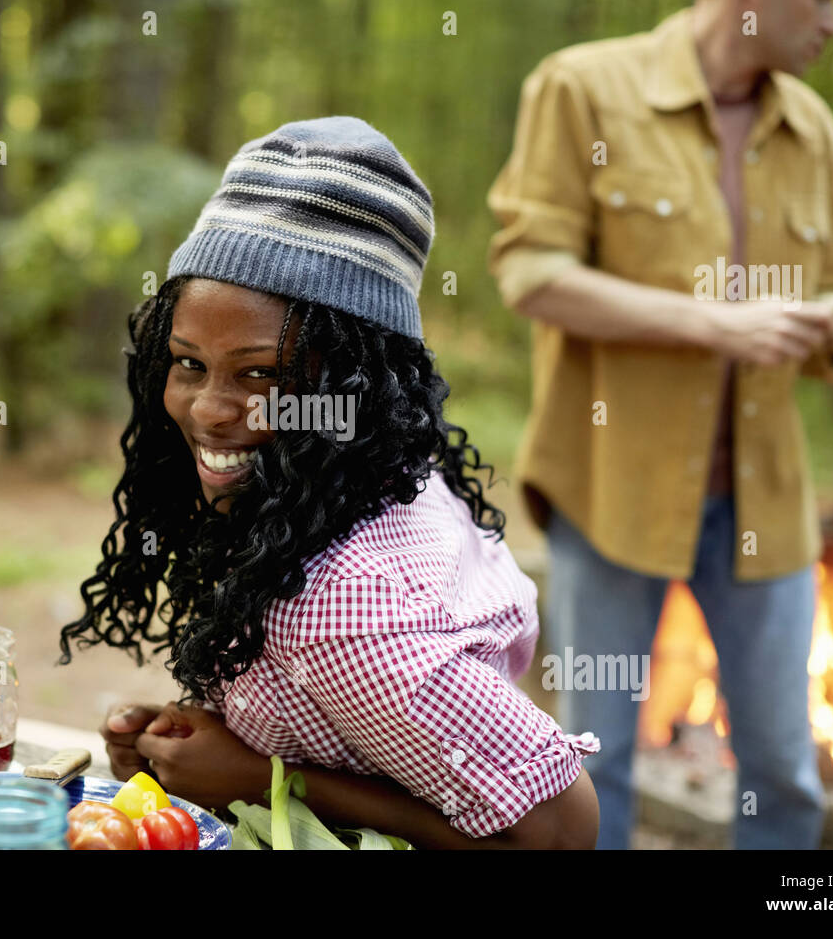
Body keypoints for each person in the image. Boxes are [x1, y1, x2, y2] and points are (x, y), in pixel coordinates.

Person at [59, 116, 600, 849]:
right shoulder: (366, 478)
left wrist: (261, 776)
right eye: (188, 363)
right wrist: (209, 747)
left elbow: (561, 830)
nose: (211, 410)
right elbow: (370, 727)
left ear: (353, 384)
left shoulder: (346, 611)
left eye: (261, 375)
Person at [485, 0, 833, 849]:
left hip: (766, 507)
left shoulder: (814, 130)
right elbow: (531, 274)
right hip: (611, 493)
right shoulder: (581, 88)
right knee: (590, 764)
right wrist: (716, 321)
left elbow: (825, 320)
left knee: (785, 774)